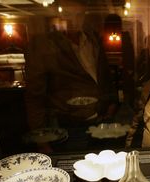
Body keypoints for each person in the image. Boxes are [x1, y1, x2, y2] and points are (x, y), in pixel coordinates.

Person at [25, 0, 118, 153]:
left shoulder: (92, 39)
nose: (74, 20)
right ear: (58, 14)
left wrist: (111, 105)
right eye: (68, 15)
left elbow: (103, 76)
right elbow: (35, 96)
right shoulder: (43, 45)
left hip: (100, 123)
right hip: (68, 127)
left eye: (79, 15)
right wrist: (41, 140)